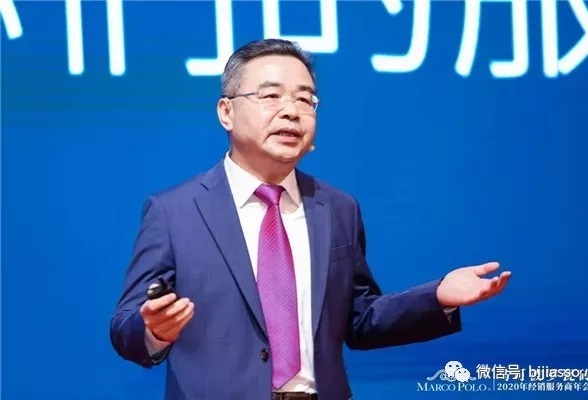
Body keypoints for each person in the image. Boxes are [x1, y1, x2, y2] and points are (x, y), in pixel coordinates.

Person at [109, 38, 511, 400]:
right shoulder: (175, 211)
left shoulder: (337, 208)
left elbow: (359, 319)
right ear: (226, 112)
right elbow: (125, 325)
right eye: (271, 96)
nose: (291, 111)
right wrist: (154, 331)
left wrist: (436, 297)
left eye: (305, 100)